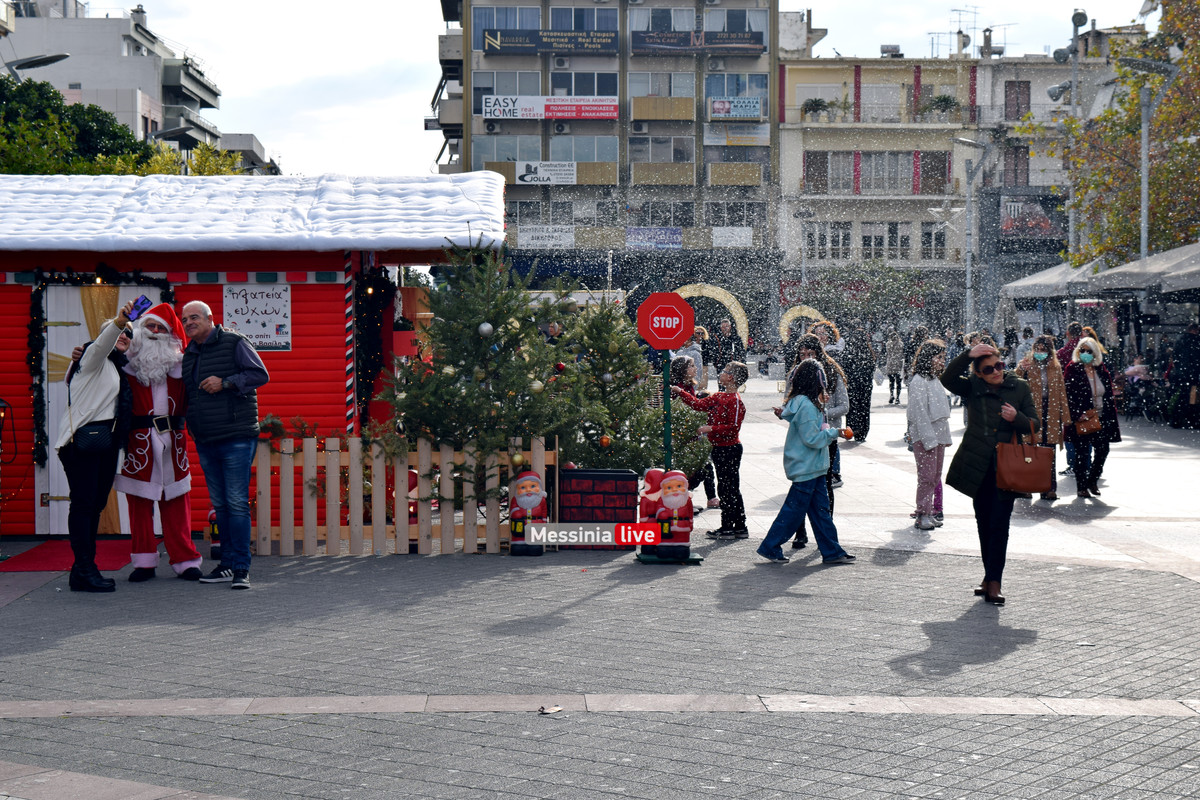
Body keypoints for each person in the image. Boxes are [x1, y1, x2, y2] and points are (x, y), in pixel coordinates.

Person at [181, 301, 271, 590]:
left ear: (210, 319)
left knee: (235, 503)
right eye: (185, 319)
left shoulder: (234, 341)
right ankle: (227, 564)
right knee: (220, 505)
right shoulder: (189, 354)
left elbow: (260, 374)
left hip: (236, 437)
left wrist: (227, 383)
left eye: (194, 317)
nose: (189, 322)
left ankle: (242, 568)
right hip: (206, 440)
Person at [940, 342, 1039, 605]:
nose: (996, 371)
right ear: (979, 373)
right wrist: (967, 355)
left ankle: (995, 581)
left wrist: (1016, 417)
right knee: (984, 523)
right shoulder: (972, 386)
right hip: (977, 465)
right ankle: (988, 576)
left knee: (1000, 525)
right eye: (989, 369)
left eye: (999, 365)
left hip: (1006, 467)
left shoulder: (1019, 387)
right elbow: (947, 378)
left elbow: (1035, 423)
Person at [115, 304, 204, 582]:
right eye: (150, 326)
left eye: (161, 328)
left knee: (176, 500)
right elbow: (86, 369)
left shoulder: (183, 364)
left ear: (171, 335)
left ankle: (186, 560)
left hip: (174, 440)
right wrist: (78, 354)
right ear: (141, 329)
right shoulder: (125, 360)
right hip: (139, 440)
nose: (154, 332)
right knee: (139, 502)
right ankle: (143, 562)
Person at [57, 302, 135, 593]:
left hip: (104, 443)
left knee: (94, 506)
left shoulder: (115, 366)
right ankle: (85, 569)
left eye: (129, 333)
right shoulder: (94, 357)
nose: (125, 335)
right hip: (83, 442)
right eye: (120, 332)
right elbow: (102, 344)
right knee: (84, 505)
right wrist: (119, 321)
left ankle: (82, 570)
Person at [756, 359, 855, 565]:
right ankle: (770, 545)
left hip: (812, 467)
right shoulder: (808, 407)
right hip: (807, 467)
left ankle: (831, 550)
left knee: (820, 512)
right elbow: (812, 439)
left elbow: (796, 419)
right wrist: (834, 432)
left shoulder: (801, 402)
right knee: (794, 511)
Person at [671, 361, 748, 538]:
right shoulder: (719, 396)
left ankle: (729, 526)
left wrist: (710, 429)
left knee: (729, 489)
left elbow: (733, 427)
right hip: (720, 448)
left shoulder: (734, 400)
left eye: (725, 371)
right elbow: (698, 404)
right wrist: (681, 392)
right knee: (729, 488)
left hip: (730, 449)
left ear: (731, 378)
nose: (721, 373)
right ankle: (738, 526)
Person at [786, 334, 847, 548]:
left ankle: (825, 534)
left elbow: (844, 406)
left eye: (810, 354)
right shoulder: (797, 374)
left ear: (819, 354)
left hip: (825, 437)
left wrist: (820, 410)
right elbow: (789, 402)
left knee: (823, 487)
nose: (806, 359)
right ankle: (800, 532)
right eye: (802, 355)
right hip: (802, 440)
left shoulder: (829, 372)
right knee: (801, 487)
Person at [1014, 335, 1072, 502]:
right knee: (1029, 451)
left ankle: (1049, 488)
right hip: (1032, 412)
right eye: (1037, 349)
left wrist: (1065, 416)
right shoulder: (1027, 364)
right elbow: (1014, 381)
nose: (1040, 353)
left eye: (1044, 350)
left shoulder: (1055, 367)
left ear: (1049, 351)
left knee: (1049, 452)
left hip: (1051, 412)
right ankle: (1026, 487)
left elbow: (1061, 392)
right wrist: (1020, 369)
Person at [1062, 337, 1121, 498]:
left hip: (1101, 417)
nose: (1086, 354)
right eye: (1083, 350)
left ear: (1095, 353)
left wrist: (1110, 414)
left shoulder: (1100, 369)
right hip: (1083, 418)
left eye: (1089, 351)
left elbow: (1108, 393)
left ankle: (1092, 480)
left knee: (1103, 450)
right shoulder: (1073, 368)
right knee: (1082, 454)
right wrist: (1076, 414)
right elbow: (1068, 395)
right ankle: (1081, 486)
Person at [906, 339, 951, 530]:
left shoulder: (934, 379)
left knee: (935, 476)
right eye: (938, 357)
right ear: (928, 358)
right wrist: (929, 439)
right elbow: (919, 413)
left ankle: (929, 510)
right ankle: (922, 513)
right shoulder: (918, 381)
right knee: (926, 476)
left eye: (943, 357)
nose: (942, 361)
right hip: (926, 436)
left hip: (938, 434)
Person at [670, 356, 717, 510]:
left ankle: (704, 496)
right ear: (682, 370)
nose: (695, 368)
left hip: (691, 432)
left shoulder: (687, 386)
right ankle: (686, 494)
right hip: (684, 433)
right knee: (700, 465)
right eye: (691, 366)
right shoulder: (677, 388)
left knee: (703, 465)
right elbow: (682, 409)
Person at [841, 319, 876, 442]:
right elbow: (872, 368)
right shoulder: (868, 352)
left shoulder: (849, 351)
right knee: (864, 407)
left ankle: (851, 428)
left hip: (852, 384)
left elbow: (844, 367)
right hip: (865, 385)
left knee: (852, 406)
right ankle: (863, 430)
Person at [1169, 323, 1200, 429]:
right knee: (1192, 397)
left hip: (1181, 373)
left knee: (1183, 395)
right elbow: (1196, 358)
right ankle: (1191, 420)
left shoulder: (1180, 341)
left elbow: (1175, 357)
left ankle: (1177, 419)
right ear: (1195, 330)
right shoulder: (1196, 341)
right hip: (1192, 373)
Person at [884, 329, 904, 404]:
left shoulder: (888, 344)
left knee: (891, 381)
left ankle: (891, 395)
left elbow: (885, 353)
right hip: (898, 363)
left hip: (890, 363)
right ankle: (898, 398)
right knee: (898, 382)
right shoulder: (901, 344)